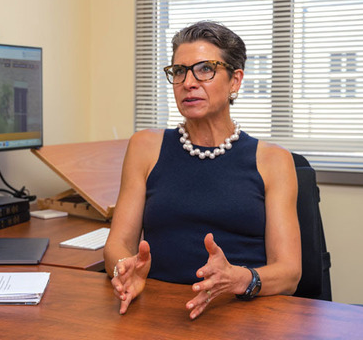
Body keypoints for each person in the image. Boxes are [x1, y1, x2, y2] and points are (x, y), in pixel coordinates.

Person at [104, 21, 301, 320]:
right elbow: (117, 244)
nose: (188, 82)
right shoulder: (145, 146)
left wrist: (238, 279)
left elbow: (289, 273)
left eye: (205, 69)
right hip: (159, 310)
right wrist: (124, 267)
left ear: (235, 81)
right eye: (179, 71)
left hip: (242, 315)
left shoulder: (273, 160)